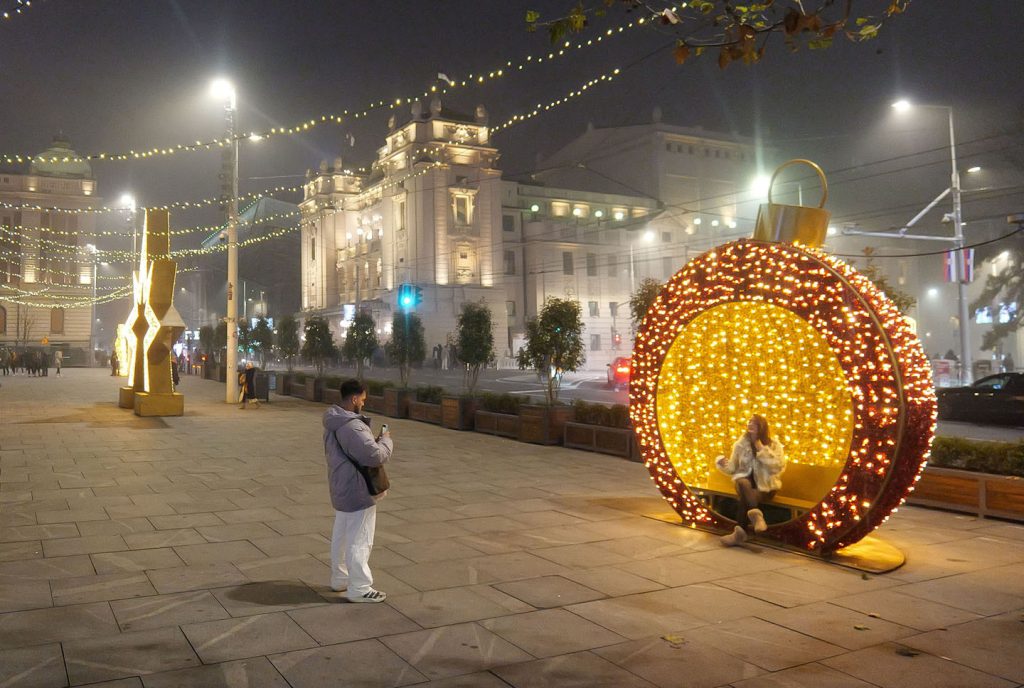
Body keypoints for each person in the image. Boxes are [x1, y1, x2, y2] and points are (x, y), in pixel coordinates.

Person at [324, 379, 393, 602]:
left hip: (342, 485)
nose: (363, 403)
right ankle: (360, 588)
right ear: (354, 398)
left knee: (342, 536)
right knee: (360, 539)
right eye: (362, 399)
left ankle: (340, 578)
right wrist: (386, 442)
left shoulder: (334, 421)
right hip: (357, 489)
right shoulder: (352, 426)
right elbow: (374, 456)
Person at [715, 414, 786, 547]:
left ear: (762, 426)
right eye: (749, 422)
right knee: (742, 482)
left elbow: (777, 467)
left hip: (766, 487)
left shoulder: (774, 445)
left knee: (745, 496)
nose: (750, 424)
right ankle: (756, 516)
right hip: (746, 484)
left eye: (754, 422)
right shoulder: (740, 444)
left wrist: (761, 449)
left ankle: (738, 534)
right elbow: (733, 468)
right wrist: (722, 463)